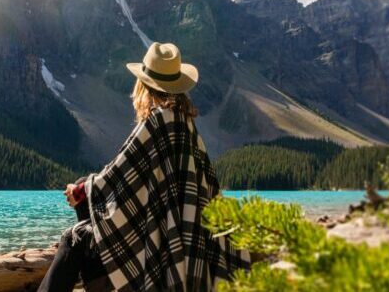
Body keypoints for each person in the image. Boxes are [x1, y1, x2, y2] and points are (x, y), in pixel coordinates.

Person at [38, 43, 250, 292]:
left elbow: (117, 175)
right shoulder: (186, 125)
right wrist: (87, 186)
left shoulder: (157, 121)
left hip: (159, 242)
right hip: (185, 239)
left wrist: (81, 190)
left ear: (144, 85)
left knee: (73, 240)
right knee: (90, 209)